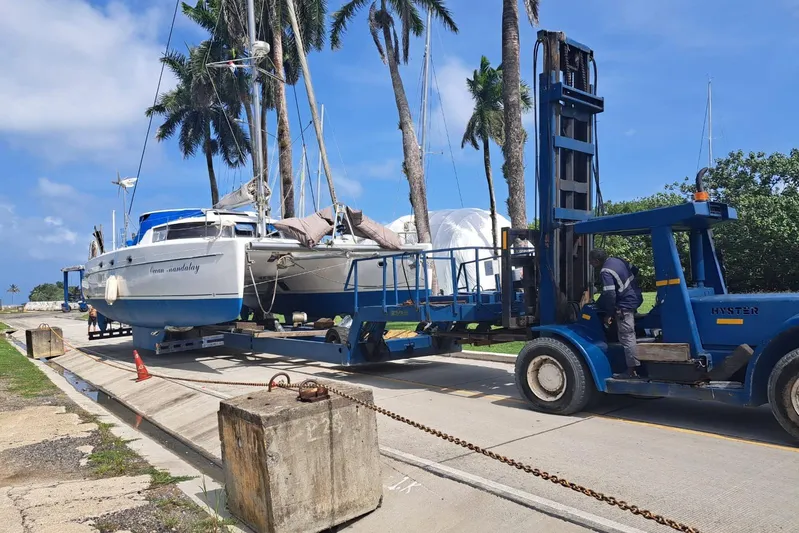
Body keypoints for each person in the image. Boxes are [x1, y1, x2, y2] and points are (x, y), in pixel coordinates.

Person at [589, 249, 644, 378]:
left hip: (626, 304)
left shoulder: (605, 271)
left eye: (591, 262)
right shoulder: (618, 260)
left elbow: (610, 294)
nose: (590, 264)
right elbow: (634, 270)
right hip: (635, 296)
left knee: (627, 336)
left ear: (597, 261)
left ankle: (631, 371)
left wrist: (609, 313)